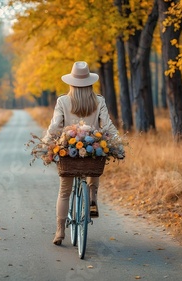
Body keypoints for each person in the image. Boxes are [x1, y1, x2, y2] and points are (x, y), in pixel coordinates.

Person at [42, 61, 119, 245]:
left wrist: (46, 143)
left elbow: (55, 126)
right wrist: (117, 143)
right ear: (89, 82)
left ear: (71, 82)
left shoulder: (63, 101)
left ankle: (60, 232)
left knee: (64, 192)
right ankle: (92, 197)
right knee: (95, 160)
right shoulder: (98, 100)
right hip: (92, 149)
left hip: (68, 150)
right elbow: (107, 126)